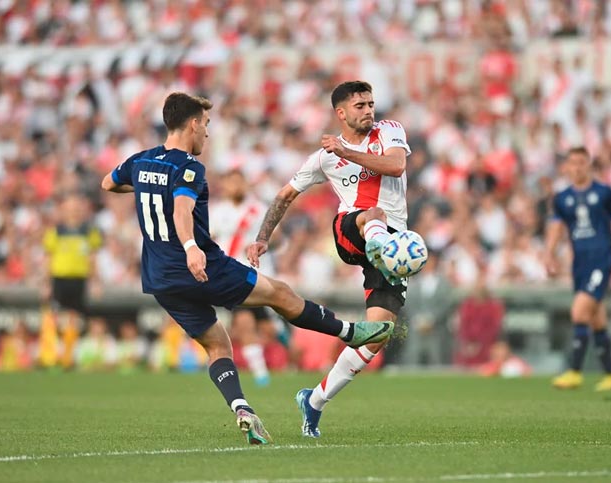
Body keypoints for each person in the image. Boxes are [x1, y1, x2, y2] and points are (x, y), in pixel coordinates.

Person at [100, 92, 393, 445]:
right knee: (279, 294)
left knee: (219, 347)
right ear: (193, 124)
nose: (207, 134)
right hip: (202, 266)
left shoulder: (141, 161)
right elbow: (180, 212)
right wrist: (192, 248)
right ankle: (351, 332)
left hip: (159, 278)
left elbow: (108, 183)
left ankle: (241, 407)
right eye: (206, 125)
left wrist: (149, 187)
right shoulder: (189, 167)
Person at [247, 80, 412, 438]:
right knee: (374, 214)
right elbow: (284, 196)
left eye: (370, 103)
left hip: (390, 244)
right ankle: (377, 243)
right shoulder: (323, 158)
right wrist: (262, 239)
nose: (369, 110)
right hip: (351, 230)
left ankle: (315, 400)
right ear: (340, 113)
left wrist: (345, 152)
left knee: (378, 335)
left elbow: (396, 166)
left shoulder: (389, 131)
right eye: (359, 106)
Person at [544, 146, 611, 392]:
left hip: (602, 259)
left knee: (579, 312)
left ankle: (574, 371)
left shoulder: (604, 193)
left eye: (582, 162)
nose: (577, 167)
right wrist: (549, 253)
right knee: (596, 319)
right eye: (572, 163)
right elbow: (556, 226)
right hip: (580, 264)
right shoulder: (562, 198)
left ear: (589, 165)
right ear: (567, 166)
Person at [210, 169, 279, 387]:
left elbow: (276, 237)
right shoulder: (216, 211)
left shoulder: (257, 210)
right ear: (225, 186)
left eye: (240, 182)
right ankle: (261, 375)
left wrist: (263, 244)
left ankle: (280, 335)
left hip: (259, 274)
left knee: (268, 330)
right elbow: (207, 239)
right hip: (232, 275)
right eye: (232, 182)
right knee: (244, 322)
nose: (236, 186)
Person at [42, 193, 102, 369]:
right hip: (59, 278)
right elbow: (48, 257)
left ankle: (69, 356)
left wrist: (96, 281)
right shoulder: (56, 231)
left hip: (79, 278)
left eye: (76, 209)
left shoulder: (89, 232)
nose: (74, 212)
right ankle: (53, 356)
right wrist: (46, 283)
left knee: (75, 318)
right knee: (56, 318)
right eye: (70, 209)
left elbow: (92, 258)